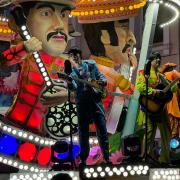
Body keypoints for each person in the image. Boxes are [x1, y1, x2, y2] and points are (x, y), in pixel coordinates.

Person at [0, 0, 75, 134]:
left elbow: (96, 92)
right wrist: (24, 48)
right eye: (46, 13)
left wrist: (70, 95)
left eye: (64, 15)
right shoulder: (26, 53)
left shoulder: (68, 63)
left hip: (51, 135)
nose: (59, 26)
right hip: (16, 127)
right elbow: (3, 61)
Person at [67, 47, 110, 166]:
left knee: (102, 129)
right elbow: (73, 87)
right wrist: (70, 82)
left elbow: (100, 76)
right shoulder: (72, 73)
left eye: (75, 54)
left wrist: (102, 81)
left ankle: (107, 157)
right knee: (83, 132)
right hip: (82, 103)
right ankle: (84, 159)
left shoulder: (90, 65)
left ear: (80, 56)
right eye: (71, 55)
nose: (74, 57)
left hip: (95, 100)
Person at [136, 52, 178, 163]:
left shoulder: (161, 75)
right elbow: (140, 86)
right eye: (156, 59)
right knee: (149, 132)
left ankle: (165, 159)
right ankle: (145, 157)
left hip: (161, 108)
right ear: (150, 60)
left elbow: (172, 89)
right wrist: (154, 92)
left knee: (166, 132)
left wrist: (175, 85)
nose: (158, 61)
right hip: (149, 107)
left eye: (159, 59)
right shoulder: (144, 72)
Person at [160, 63, 180, 138]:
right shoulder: (170, 74)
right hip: (172, 107)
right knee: (173, 127)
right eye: (173, 68)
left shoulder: (162, 77)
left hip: (166, 108)